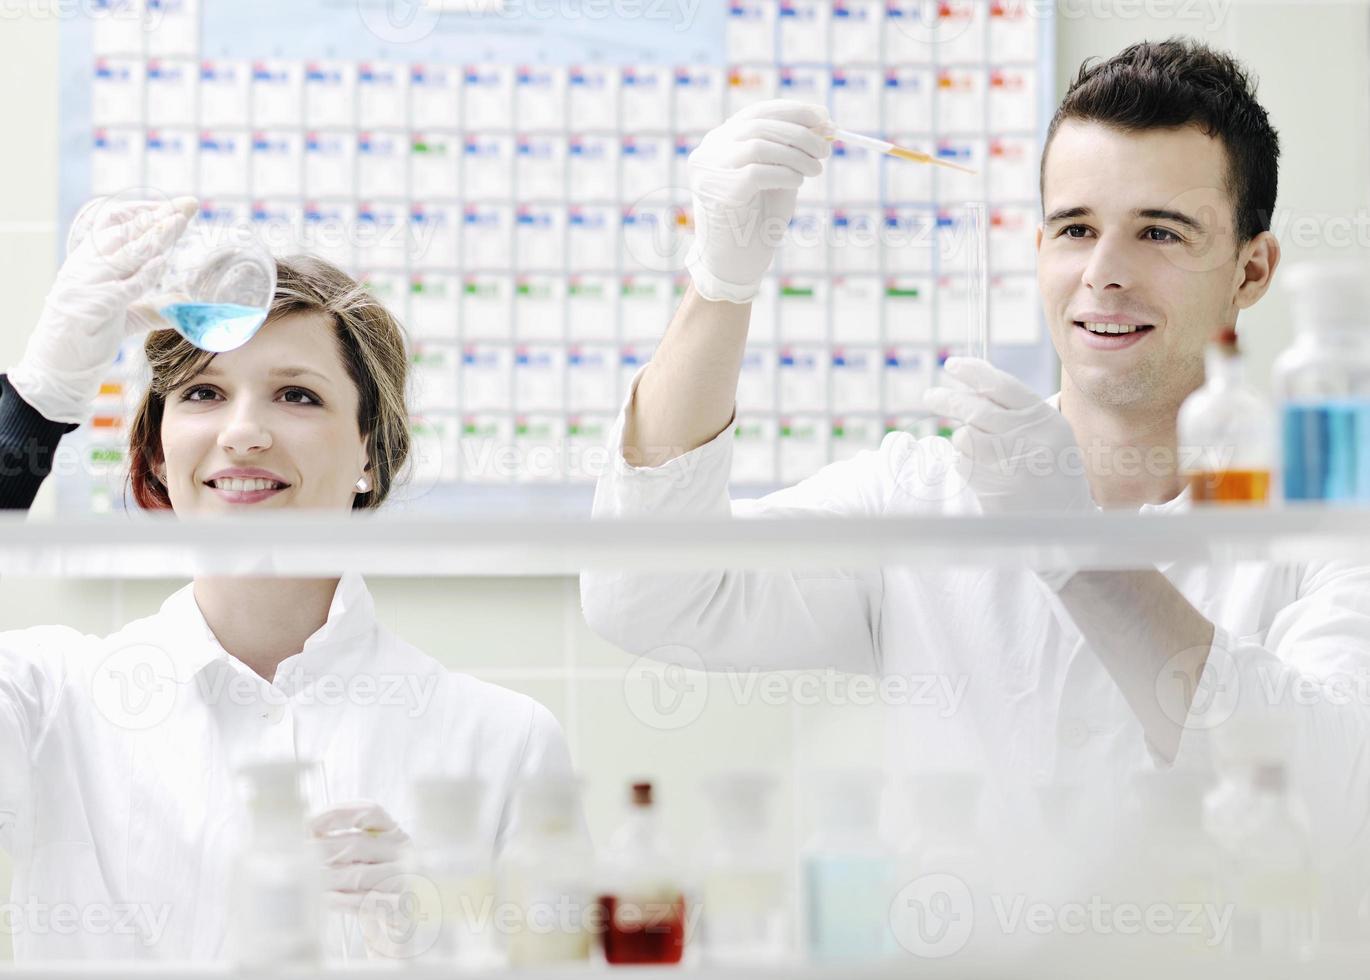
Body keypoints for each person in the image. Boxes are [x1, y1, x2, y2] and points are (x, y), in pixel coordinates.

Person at [581, 39, 1370, 855]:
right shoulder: (921, 499)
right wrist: (720, 280)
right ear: (1038, 250)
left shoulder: (1326, 512)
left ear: (1252, 270)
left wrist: (1079, 549)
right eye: (1074, 228)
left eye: (1160, 233)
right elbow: (646, 596)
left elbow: (1338, 794)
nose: (1103, 273)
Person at [0, 198, 579, 959]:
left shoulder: (502, 741)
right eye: (204, 393)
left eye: (297, 395)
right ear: (157, 456)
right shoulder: (47, 701)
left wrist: (448, 937)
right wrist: (30, 410)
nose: (244, 433)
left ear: (371, 455)